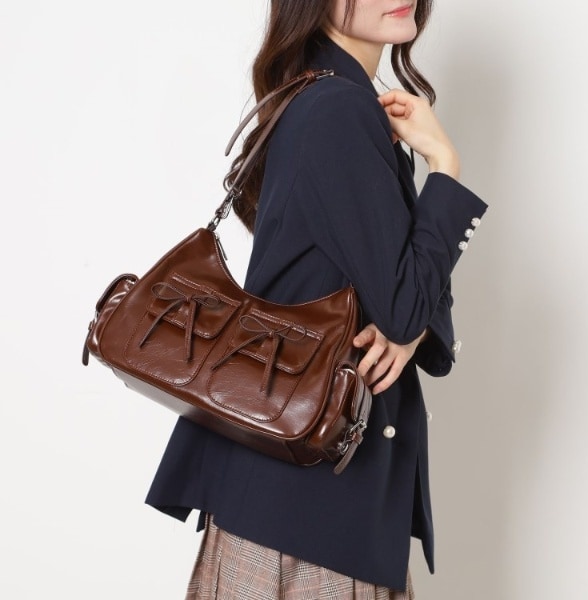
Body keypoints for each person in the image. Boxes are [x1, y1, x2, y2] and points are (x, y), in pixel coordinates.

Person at [145, 1, 487, 597]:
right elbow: (407, 304)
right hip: (305, 515)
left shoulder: (329, 100)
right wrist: (445, 165)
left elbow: (410, 295)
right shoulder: (337, 110)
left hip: (305, 499)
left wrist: (409, 326)